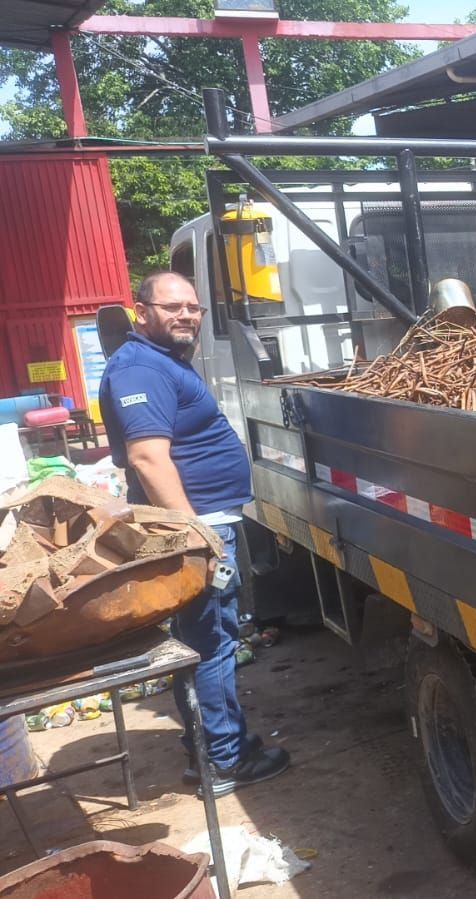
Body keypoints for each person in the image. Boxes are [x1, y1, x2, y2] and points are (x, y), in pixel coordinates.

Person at [101, 271, 290, 795]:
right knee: (210, 645)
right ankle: (223, 762)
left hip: (206, 524)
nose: (186, 315)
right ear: (142, 311)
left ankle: (213, 749)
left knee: (208, 642)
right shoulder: (140, 368)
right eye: (172, 306)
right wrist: (197, 537)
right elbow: (146, 457)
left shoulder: (157, 362)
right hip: (198, 531)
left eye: (194, 307)